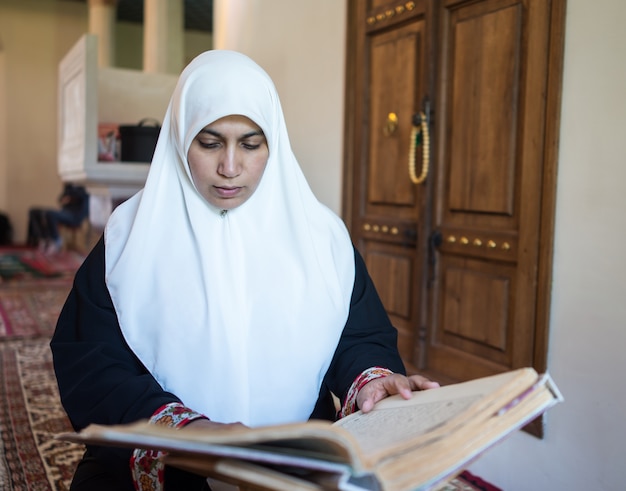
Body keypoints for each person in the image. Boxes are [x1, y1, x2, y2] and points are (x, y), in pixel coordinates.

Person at [51, 50, 439, 491]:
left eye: (251, 144)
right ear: (180, 138)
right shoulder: (130, 239)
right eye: (210, 142)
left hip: (292, 453)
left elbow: (358, 337)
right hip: (167, 457)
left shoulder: (320, 237)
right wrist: (186, 430)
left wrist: (373, 380)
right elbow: (92, 360)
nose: (230, 167)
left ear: (273, 141)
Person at [27, 183, 89, 254]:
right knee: (35, 212)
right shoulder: (69, 186)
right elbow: (61, 199)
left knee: (50, 214)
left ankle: (56, 239)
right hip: (65, 212)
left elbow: (83, 207)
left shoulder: (84, 188)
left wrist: (71, 195)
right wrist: (65, 198)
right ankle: (44, 238)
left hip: (75, 216)